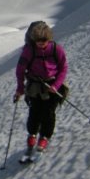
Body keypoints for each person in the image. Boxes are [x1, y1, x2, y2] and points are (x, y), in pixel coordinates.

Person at [13, 21, 68, 153]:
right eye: (38, 40)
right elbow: (20, 70)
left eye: (43, 40)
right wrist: (20, 89)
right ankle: (32, 134)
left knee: (48, 112)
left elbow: (63, 68)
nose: (41, 43)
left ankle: (44, 136)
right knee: (35, 111)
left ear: (48, 39)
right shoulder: (28, 51)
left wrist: (56, 85)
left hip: (52, 85)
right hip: (35, 87)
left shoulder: (56, 49)